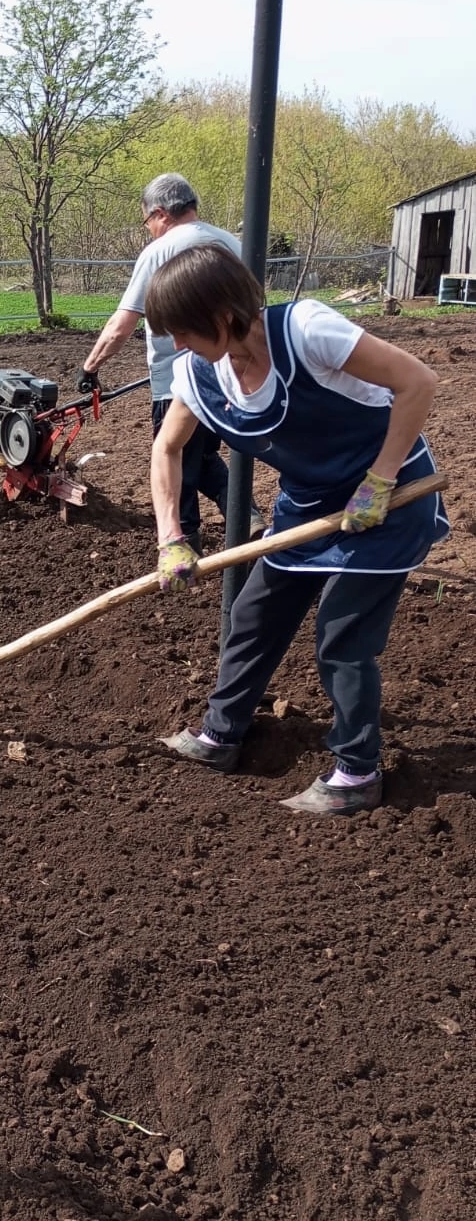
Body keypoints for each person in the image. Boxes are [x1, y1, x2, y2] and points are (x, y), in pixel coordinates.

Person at [147, 242, 448, 816]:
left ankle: (358, 772)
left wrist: (380, 480)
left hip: (387, 499)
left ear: (221, 317)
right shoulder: (200, 374)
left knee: (342, 636)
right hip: (309, 505)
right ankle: (220, 735)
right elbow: (168, 449)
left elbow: (419, 382)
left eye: (183, 331)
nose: (177, 346)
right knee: (255, 613)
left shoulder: (307, 331)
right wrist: (171, 538)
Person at [79, 172, 262, 552]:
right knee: (204, 452)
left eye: (148, 223)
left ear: (160, 213)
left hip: (177, 380)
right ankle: (247, 517)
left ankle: (184, 546)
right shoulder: (233, 243)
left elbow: (123, 323)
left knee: (174, 454)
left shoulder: (160, 251)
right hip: (233, 373)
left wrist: (91, 367)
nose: (150, 231)